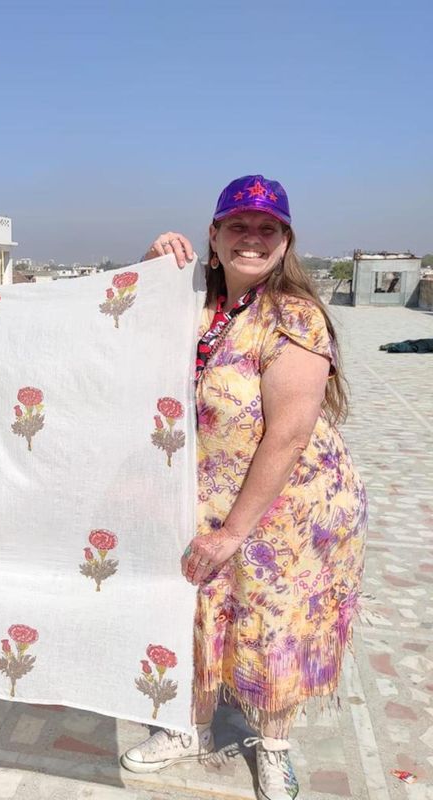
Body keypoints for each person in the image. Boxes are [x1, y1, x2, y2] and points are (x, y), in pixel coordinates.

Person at [121, 175, 367, 800]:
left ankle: (274, 746)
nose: (251, 239)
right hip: (204, 496)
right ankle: (186, 725)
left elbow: (286, 435)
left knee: (273, 625)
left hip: (289, 508)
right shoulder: (196, 302)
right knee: (195, 611)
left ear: (285, 241)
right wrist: (152, 267)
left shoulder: (293, 318)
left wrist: (235, 531)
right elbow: (116, 326)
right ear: (214, 234)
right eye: (238, 225)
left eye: (267, 228)